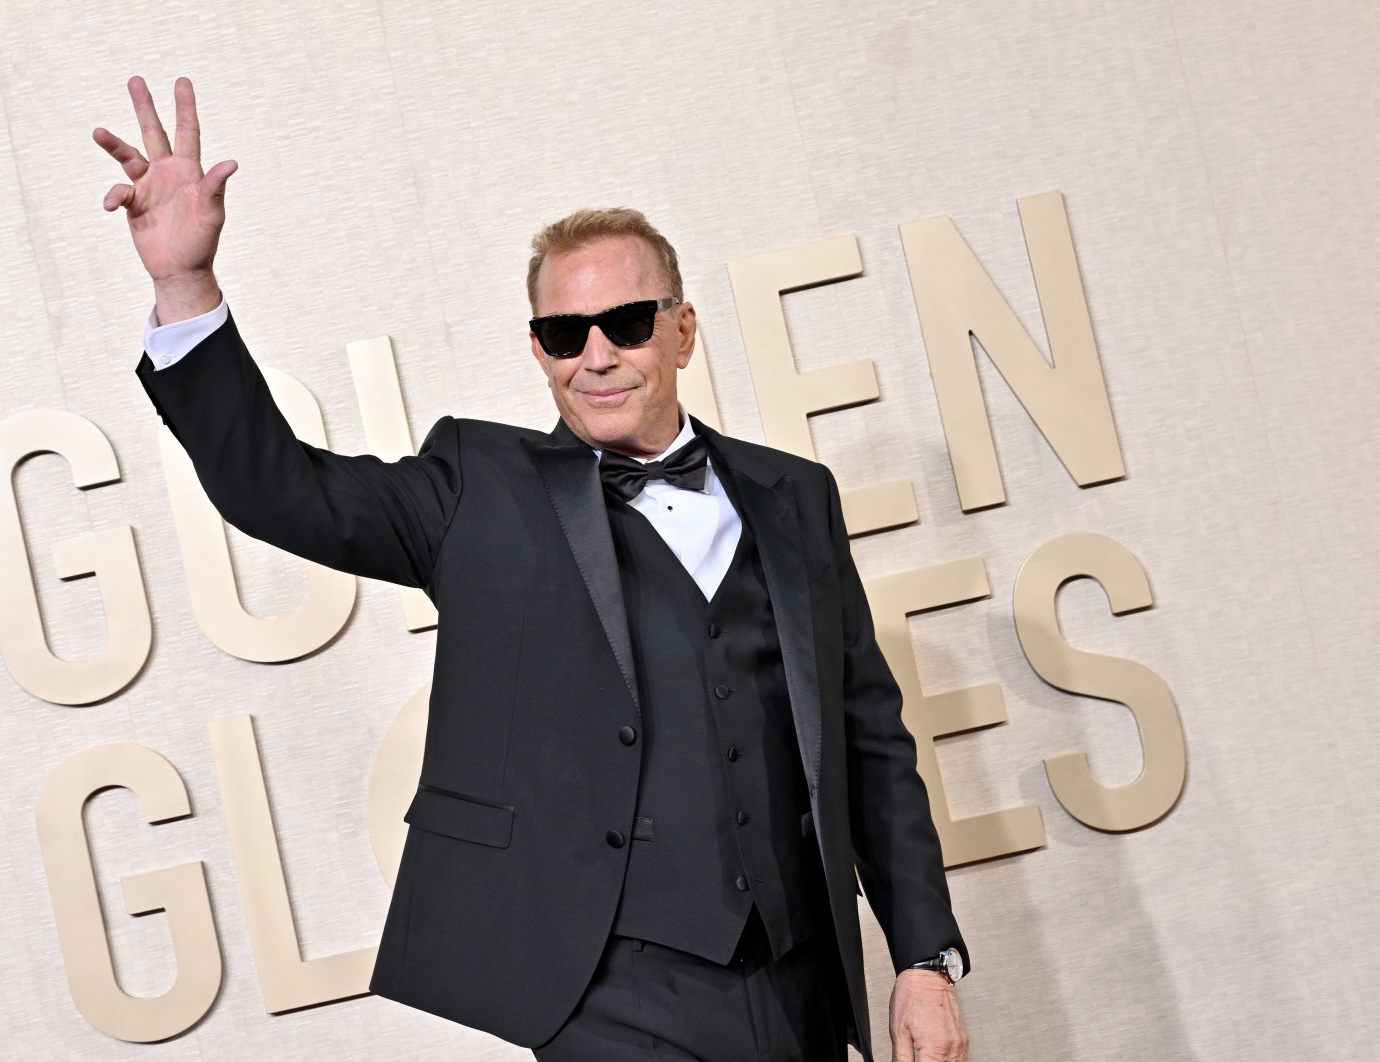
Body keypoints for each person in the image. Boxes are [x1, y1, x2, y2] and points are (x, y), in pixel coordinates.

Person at [96, 75, 972, 1062]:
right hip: (606, 995)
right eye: (566, 334)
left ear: (681, 330)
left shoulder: (794, 494)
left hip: (799, 983)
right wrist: (185, 288)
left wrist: (921, 960)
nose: (596, 356)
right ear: (539, 352)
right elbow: (278, 490)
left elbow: (869, 747)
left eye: (628, 324)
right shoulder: (478, 486)